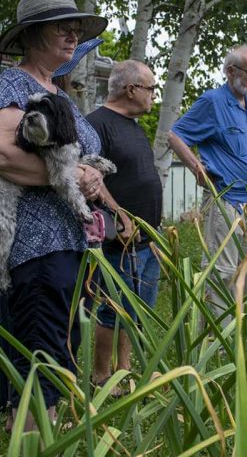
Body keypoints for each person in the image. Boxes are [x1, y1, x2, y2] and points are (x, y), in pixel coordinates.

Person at [0, 0, 129, 429]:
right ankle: (35, 432)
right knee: (42, 340)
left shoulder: (55, 89)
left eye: (76, 28)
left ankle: (27, 421)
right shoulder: (16, 83)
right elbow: (2, 154)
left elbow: (75, 162)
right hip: (36, 243)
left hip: (64, 241)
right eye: (61, 26)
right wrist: (72, 179)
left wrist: (93, 181)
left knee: (53, 334)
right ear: (31, 34)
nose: (72, 34)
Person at [167, 45, 247, 328]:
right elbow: (175, 135)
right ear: (230, 70)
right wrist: (197, 167)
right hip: (225, 200)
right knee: (221, 269)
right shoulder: (212, 101)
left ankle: (238, 328)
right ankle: (215, 339)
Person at [85, 60, 161, 390]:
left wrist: (153, 232)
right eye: (151, 89)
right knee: (114, 309)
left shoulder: (132, 124)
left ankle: (125, 368)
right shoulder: (96, 125)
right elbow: (90, 176)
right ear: (131, 89)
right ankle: (102, 375)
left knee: (137, 308)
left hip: (145, 238)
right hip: (119, 238)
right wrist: (119, 215)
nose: (154, 96)